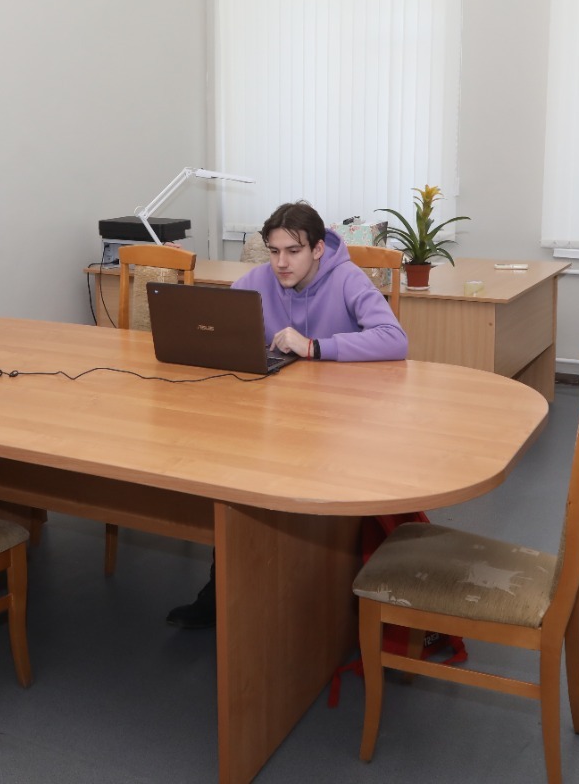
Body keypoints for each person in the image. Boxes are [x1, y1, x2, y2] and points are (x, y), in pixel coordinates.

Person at [166, 201, 409, 630]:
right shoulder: (257, 280)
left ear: (317, 249)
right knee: (233, 479)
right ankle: (220, 593)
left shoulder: (347, 278)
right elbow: (218, 326)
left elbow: (394, 339)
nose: (281, 263)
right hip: (274, 421)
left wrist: (316, 347)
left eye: (293, 251)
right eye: (274, 251)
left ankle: (314, 603)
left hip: (335, 427)